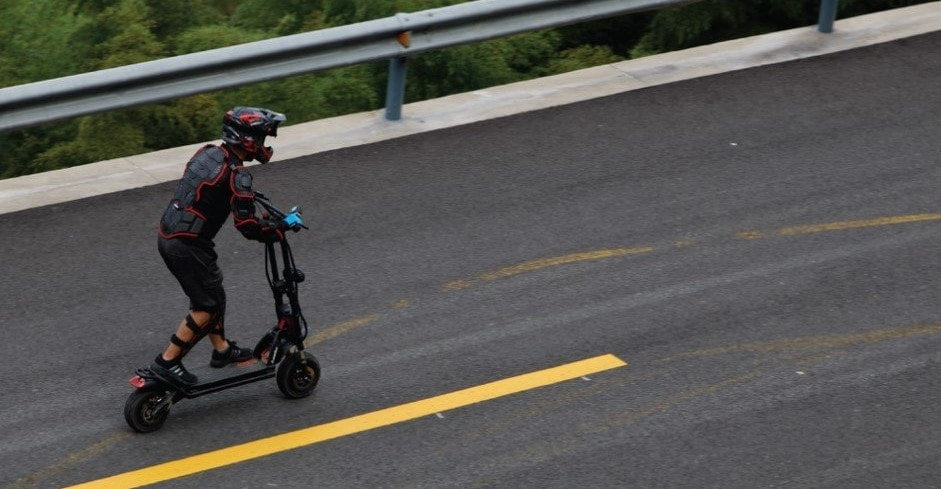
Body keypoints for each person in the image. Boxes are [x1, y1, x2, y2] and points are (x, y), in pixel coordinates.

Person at [149, 107, 287, 386]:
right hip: (187, 245)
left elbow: (210, 191)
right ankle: (167, 363)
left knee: (214, 293)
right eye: (260, 138)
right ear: (246, 140)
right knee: (207, 306)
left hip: (174, 236)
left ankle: (222, 351)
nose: (263, 145)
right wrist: (275, 230)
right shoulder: (238, 175)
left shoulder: (209, 153)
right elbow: (246, 226)